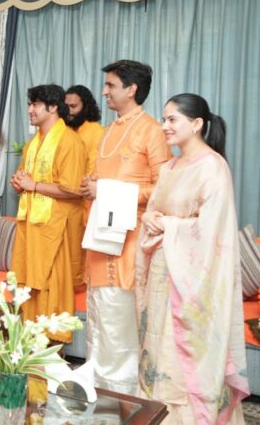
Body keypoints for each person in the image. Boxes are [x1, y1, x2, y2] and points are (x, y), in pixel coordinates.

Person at [135, 93, 248, 424]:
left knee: (181, 351)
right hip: (161, 272)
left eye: (172, 119)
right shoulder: (169, 167)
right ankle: (155, 412)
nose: (165, 126)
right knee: (157, 345)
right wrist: (149, 218)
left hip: (192, 280)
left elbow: (212, 230)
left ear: (197, 124)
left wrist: (168, 224)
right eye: (164, 119)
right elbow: (155, 209)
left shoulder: (213, 167)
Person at [80, 60, 172, 394]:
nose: (104, 91)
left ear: (131, 89)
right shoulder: (108, 131)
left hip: (131, 239)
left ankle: (126, 396)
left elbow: (163, 189)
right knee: (99, 314)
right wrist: (91, 185)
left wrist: (104, 189)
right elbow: (101, 179)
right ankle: (98, 390)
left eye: (111, 85)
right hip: (101, 236)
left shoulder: (152, 131)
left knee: (121, 317)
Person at [10, 84, 86, 343]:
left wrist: (33, 185)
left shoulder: (69, 141)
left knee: (53, 290)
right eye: (29, 104)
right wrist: (20, 183)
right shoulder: (33, 144)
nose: (29, 110)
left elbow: (74, 189)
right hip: (32, 231)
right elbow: (27, 181)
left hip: (56, 232)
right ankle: (30, 349)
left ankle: (51, 353)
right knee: (30, 289)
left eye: (35, 105)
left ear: (53, 107)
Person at [64, 85, 104, 175]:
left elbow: (94, 169)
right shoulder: (63, 129)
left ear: (86, 107)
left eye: (73, 106)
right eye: (66, 107)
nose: (68, 111)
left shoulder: (97, 132)